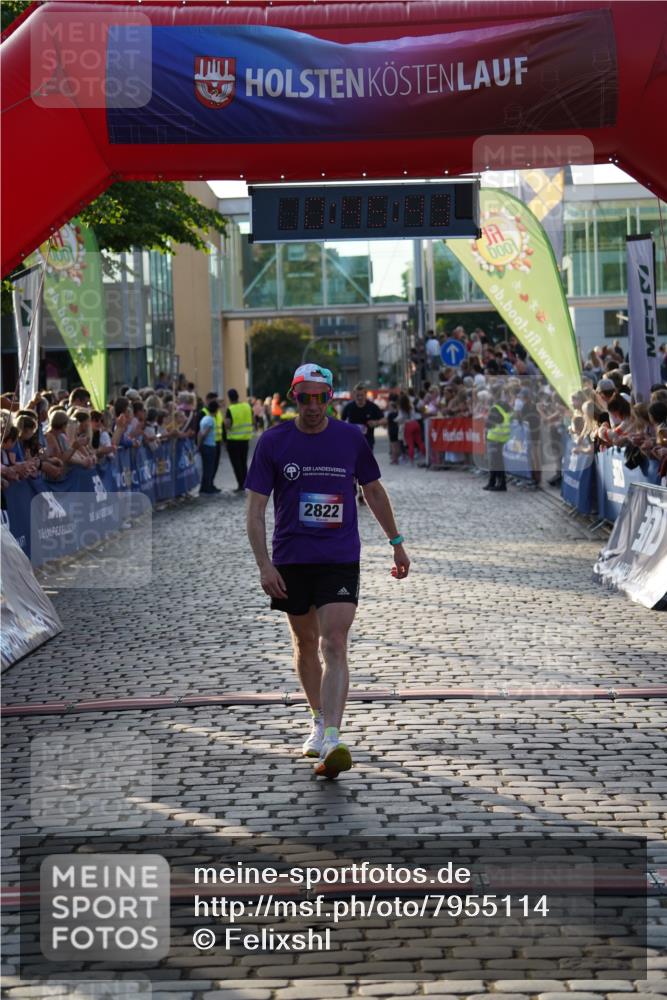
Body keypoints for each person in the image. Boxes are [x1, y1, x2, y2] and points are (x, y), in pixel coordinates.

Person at [245, 363, 410, 779]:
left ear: (331, 397)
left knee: (334, 640)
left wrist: (396, 544)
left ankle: (334, 736)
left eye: (321, 397)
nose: (314, 406)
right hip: (291, 558)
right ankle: (317, 720)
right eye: (305, 398)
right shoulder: (273, 441)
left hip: (338, 555)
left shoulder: (350, 439)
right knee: (304, 642)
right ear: (294, 397)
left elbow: (372, 489)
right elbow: (256, 509)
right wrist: (264, 564)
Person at [341, 383, 384, 504]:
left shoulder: (372, 407)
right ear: (354, 395)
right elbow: (341, 421)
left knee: (364, 468)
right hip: (351, 443)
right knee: (352, 467)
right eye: (357, 395)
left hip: (367, 442)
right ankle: (354, 488)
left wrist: (375, 423)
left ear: (366, 394)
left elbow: (383, 419)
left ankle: (362, 493)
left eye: (361, 395)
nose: (359, 397)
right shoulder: (349, 407)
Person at [224, 388, 253, 493]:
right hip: (245, 439)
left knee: (236, 464)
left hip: (233, 440)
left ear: (229, 398)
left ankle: (240, 485)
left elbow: (227, 424)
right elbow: (253, 420)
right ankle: (245, 483)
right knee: (243, 462)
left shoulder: (230, 409)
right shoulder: (247, 406)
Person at [483, 386, 511, 491]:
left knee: (494, 462)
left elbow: (490, 424)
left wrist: (486, 423)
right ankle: (494, 483)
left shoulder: (495, 408)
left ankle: (499, 484)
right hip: (503, 437)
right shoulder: (506, 406)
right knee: (498, 462)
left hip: (494, 437)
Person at [198, 399, 220, 494]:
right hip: (209, 446)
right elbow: (204, 434)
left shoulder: (204, 418)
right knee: (209, 468)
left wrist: (199, 445)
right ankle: (208, 487)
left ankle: (204, 486)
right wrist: (201, 443)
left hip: (205, 446)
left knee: (206, 467)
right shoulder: (211, 420)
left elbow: (199, 433)